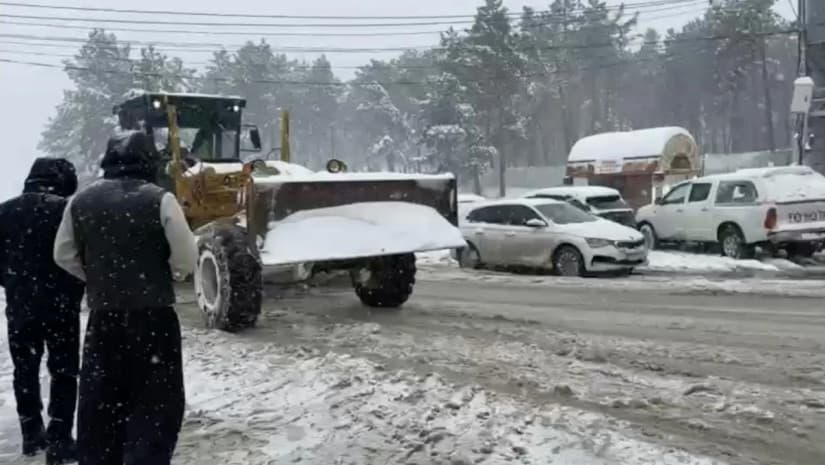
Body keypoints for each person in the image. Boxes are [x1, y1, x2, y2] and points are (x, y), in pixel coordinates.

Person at [53, 131, 198, 465]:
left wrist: (97, 277)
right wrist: (167, 274)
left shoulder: (81, 201)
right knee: (156, 401)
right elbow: (186, 258)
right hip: (154, 317)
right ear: (150, 161)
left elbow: (63, 254)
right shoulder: (160, 199)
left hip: (104, 318)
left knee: (101, 401)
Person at [0, 157, 84, 464]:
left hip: (21, 305)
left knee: (25, 371)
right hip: (62, 304)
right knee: (64, 371)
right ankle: (60, 437)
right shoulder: (66, 211)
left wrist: (12, 281)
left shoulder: (5, 211)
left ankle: (31, 434)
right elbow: (79, 255)